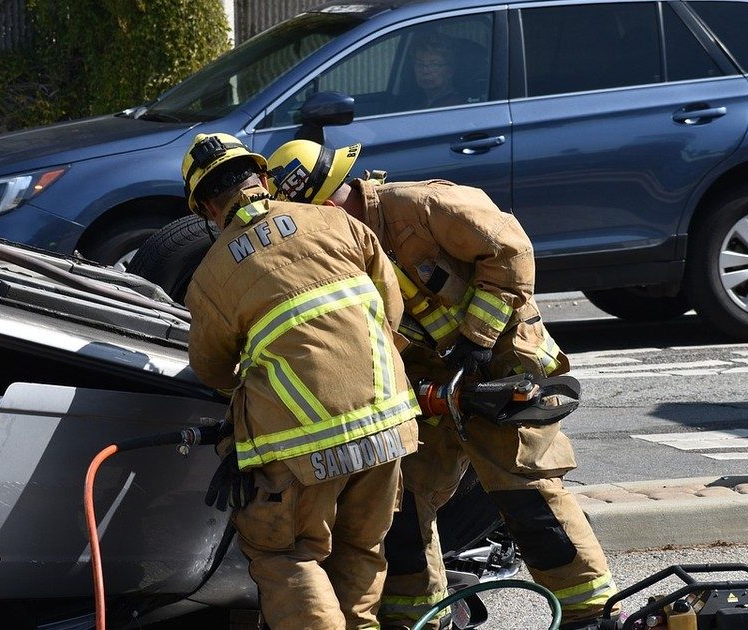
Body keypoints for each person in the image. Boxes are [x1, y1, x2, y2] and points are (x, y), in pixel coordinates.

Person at [266, 139, 618, 630]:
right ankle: (419, 617)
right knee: (402, 498)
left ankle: (589, 611)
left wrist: (478, 336)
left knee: (523, 491)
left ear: (329, 200)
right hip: (433, 384)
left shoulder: (422, 206)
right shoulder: (338, 251)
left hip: (500, 364)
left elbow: (511, 250)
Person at [181, 132, 422, 629]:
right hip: (389, 421)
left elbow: (211, 369)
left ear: (206, 207)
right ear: (263, 179)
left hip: (301, 445)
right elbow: (392, 310)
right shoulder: (336, 222)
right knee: (361, 547)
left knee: (285, 555)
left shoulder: (210, 276)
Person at [410, 33, 466, 109]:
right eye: (420, 64)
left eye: (434, 65)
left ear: (450, 71)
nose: (425, 71)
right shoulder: (415, 103)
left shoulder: (456, 107)